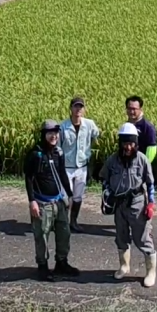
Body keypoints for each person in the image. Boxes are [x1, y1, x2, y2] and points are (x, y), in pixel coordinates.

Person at [100, 123, 157, 287]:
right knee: (121, 237)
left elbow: (150, 183)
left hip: (138, 205)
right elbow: (104, 179)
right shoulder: (112, 160)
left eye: (131, 143)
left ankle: (150, 272)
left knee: (142, 238)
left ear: (136, 143)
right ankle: (124, 267)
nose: (128, 147)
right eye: (125, 143)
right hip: (119, 205)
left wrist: (151, 203)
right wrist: (106, 195)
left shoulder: (142, 159)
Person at [23, 119, 78, 280]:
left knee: (64, 233)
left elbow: (62, 174)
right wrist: (32, 201)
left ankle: (61, 262)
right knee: (42, 236)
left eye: (55, 132)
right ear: (43, 134)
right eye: (50, 133)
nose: (53, 136)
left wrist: (69, 195)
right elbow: (28, 178)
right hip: (42, 203)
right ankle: (42, 266)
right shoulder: (35, 154)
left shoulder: (58, 152)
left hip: (58, 201)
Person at [58, 96, 101, 231]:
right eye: (75, 106)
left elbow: (96, 135)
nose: (78, 109)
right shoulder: (63, 127)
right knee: (64, 197)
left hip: (82, 166)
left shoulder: (89, 124)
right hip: (66, 167)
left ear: (84, 109)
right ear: (70, 108)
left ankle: (73, 222)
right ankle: (62, 222)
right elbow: (58, 147)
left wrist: (87, 153)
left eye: (80, 107)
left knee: (78, 197)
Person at [125, 95, 157, 163]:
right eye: (129, 108)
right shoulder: (126, 126)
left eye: (134, 109)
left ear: (140, 109)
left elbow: (152, 148)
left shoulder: (148, 127)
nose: (131, 112)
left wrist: (144, 164)